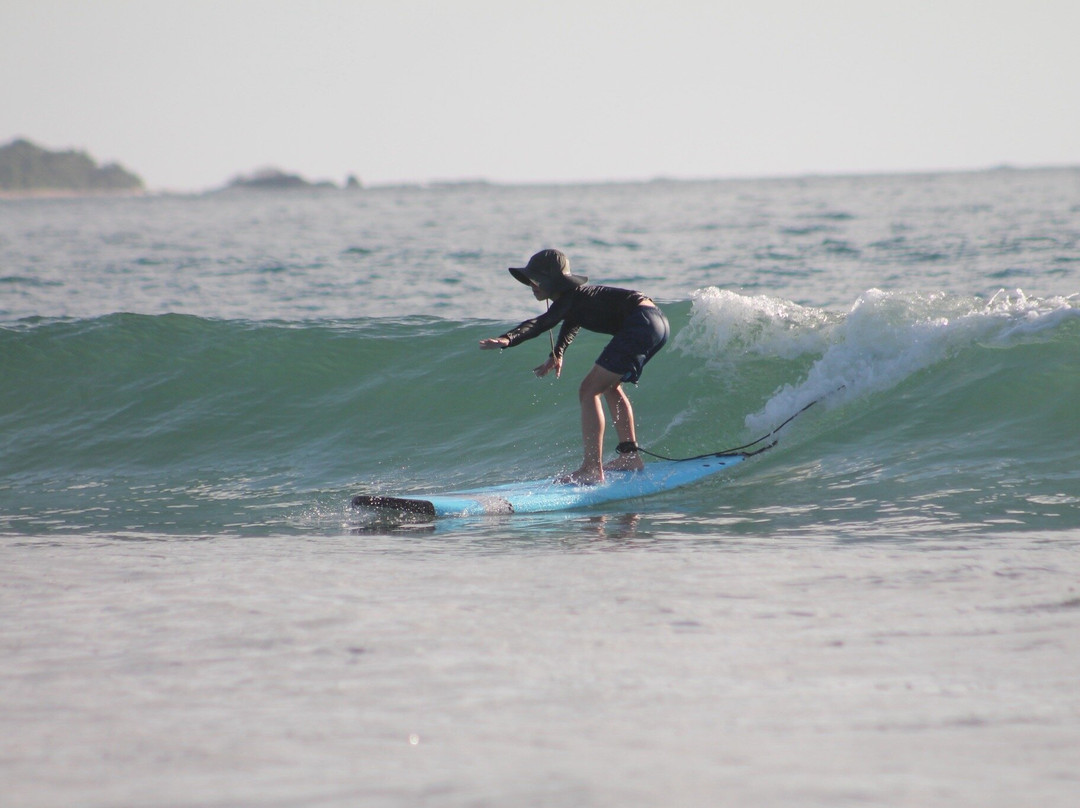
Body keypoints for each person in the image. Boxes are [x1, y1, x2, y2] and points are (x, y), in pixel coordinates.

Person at [480, 249, 669, 485]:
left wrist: (508, 338)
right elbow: (572, 321)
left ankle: (592, 469)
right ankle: (630, 457)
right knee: (610, 386)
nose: (531, 285)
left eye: (536, 279)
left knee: (589, 390)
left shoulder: (571, 299)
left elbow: (540, 323)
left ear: (552, 281)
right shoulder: (576, 299)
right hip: (655, 321)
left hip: (640, 322)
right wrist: (558, 352)